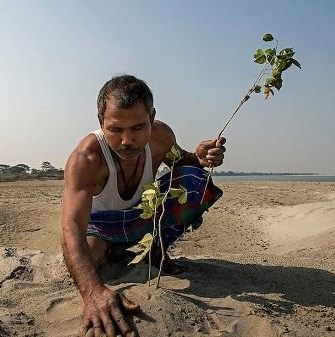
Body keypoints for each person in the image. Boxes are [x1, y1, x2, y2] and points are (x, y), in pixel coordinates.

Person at [61, 75, 226, 337]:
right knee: (91, 260)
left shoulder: (161, 136)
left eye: (138, 127)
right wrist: (92, 292)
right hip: (102, 227)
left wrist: (200, 157)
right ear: (100, 123)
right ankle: (112, 251)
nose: (127, 140)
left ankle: (155, 249)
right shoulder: (87, 157)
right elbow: (71, 226)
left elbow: (182, 163)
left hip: (143, 217)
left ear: (152, 117)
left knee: (196, 180)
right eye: (115, 130)